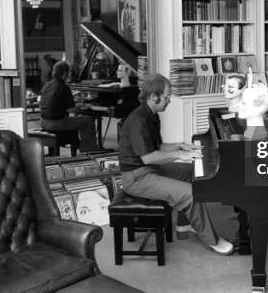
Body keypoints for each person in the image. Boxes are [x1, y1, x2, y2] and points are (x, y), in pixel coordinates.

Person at [118, 73, 234, 255]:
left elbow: (158, 147)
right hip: (136, 177)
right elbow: (148, 158)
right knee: (190, 193)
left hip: (147, 170)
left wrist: (180, 145)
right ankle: (212, 240)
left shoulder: (151, 114)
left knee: (193, 171)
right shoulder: (138, 120)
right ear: (152, 97)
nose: (169, 100)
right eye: (166, 97)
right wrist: (178, 155)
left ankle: (184, 224)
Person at [40, 61, 100, 153]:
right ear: (64, 73)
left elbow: (56, 103)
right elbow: (71, 109)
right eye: (69, 72)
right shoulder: (63, 86)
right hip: (56, 123)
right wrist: (82, 105)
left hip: (43, 122)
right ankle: (88, 150)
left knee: (78, 118)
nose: (69, 75)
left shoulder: (46, 85)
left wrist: (75, 105)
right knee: (88, 120)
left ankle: (81, 145)